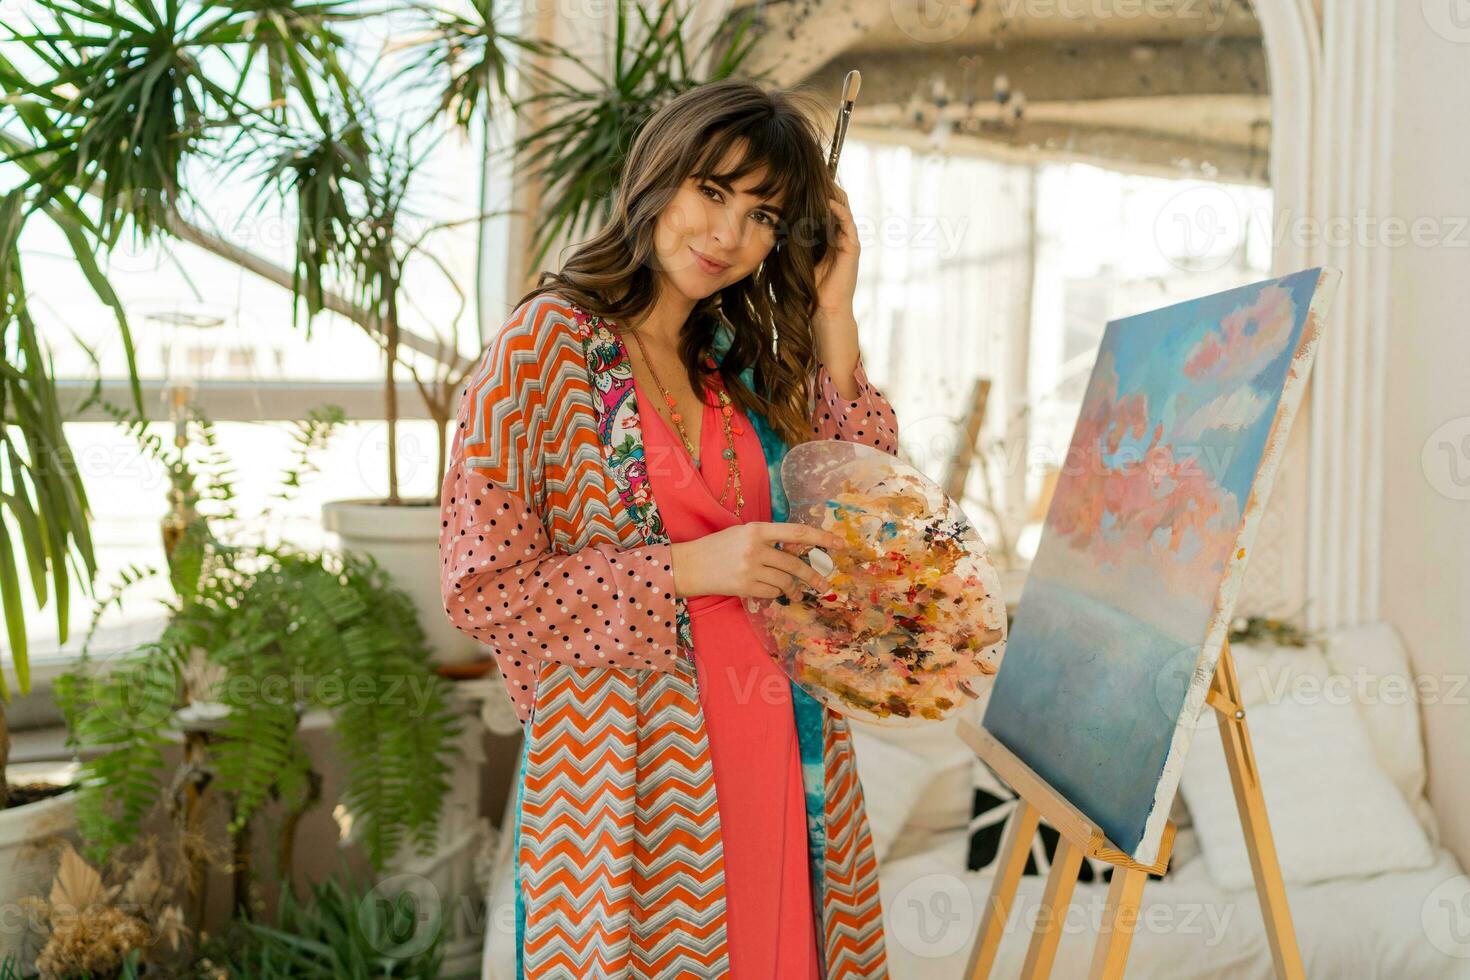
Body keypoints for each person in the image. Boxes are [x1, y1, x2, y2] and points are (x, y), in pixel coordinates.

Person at [439, 77, 898, 979]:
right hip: (629, 779)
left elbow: (870, 520)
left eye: (764, 216)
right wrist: (690, 567)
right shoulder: (544, 347)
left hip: (783, 748)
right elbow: (482, 589)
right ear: (660, 175)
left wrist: (836, 314)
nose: (728, 235)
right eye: (713, 191)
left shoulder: (741, 367)